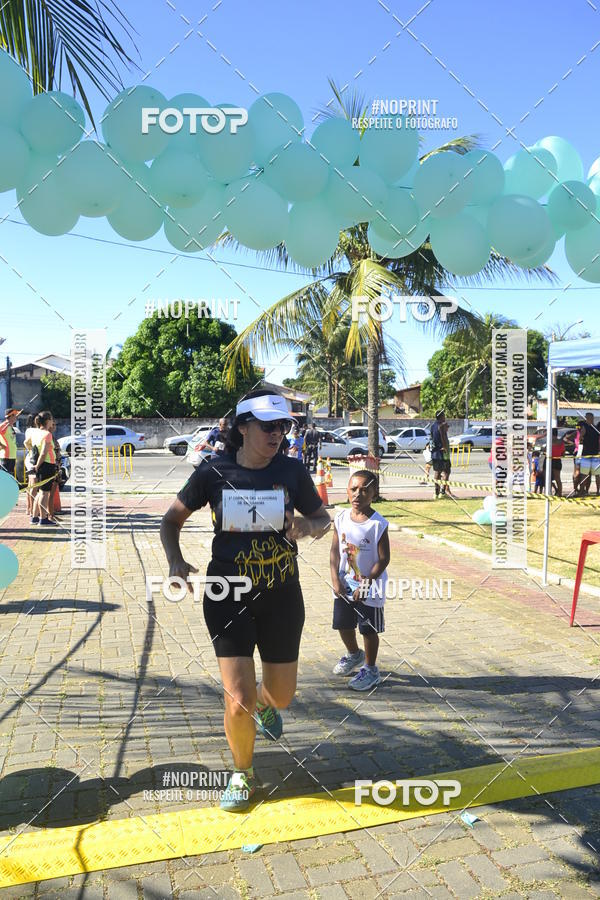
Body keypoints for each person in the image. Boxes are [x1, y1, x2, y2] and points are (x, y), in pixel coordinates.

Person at [160, 390, 330, 811]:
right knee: (238, 698)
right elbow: (171, 520)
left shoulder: (292, 471)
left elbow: (324, 520)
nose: (277, 434)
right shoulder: (213, 472)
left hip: (281, 594)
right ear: (242, 427)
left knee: (281, 695)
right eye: (268, 426)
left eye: (283, 426)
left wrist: (305, 525)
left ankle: (267, 705)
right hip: (227, 594)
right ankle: (243, 774)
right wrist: (175, 561)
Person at [330, 471, 390, 691]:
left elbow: (384, 559)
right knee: (343, 624)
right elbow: (335, 552)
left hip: (370, 588)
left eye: (364, 489)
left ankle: (371, 668)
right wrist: (335, 577)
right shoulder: (340, 518)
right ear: (347, 491)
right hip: (345, 585)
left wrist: (367, 583)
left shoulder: (377, 525)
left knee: (368, 628)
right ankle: (354, 654)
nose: (358, 494)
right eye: (353, 488)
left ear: (374, 493)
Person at [32, 411, 58, 526]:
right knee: (45, 493)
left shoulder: (36, 433)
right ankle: (43, 518)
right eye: (52, 419)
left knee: (40, 492)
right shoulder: (47, 434)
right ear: (47, 420)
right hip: (46, 464)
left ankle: (35, 517)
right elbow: (43, 453)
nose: (53, 422)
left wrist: (36, 465)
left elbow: (30, 446)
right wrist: (37, 465)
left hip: (42, 465)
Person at [430, 410, 451, 498]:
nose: (445, 417)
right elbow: (443, 437)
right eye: (444, 415)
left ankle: (436, 492)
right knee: (446, 471)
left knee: (437, 472)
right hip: (442, 452)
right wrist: (445, 447)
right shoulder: (441, 425)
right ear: (441, 416)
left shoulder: (432, 426)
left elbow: (432, 437)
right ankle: (442, 492)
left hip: (434, 452)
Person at [24, 413, 40, 520]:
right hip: (33, 460)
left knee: (30, 486)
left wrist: (30, 450)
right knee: (34, 487)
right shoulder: (34, 431)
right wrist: (32, 450)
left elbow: (26, 442)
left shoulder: (28, 430)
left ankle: (29, 508)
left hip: (29, 458)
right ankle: (33, 510)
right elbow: (26, 442)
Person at [578, 413, 599, 495]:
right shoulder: (597, 428)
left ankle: (582, 491)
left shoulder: (585, 427)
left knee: (584, 474)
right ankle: (597, 491)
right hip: (595, 453)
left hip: (586, 454)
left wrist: (582, 439)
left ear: (587, 418)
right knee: (597, 474)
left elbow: (580, 438)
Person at [541, 428, 565, 497]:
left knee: (547, 477)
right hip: (557, 460)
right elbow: (563, 454)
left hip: (550, 460)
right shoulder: (561, 442)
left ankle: (550, 492)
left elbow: (545, 451)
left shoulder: (549, 442)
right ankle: (559, 492)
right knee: (557, 478)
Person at [0, 408, 22, 477]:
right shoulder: (4, 425)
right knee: (5, 478)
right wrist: (1, 445)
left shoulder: (10, 426)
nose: (16, 417)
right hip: (6, 457)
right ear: (11, 416)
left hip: (12, 456)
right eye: (15, 415)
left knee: (10, 477)